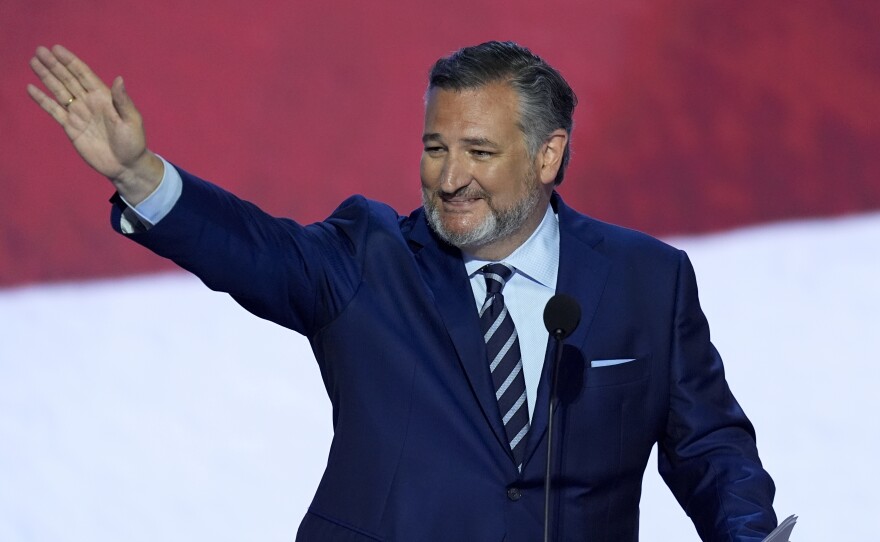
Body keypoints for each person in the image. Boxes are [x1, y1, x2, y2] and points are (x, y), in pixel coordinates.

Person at [28, 41, 777, 541]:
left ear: (549, 155)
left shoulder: (647, 277)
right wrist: (139, 177)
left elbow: (706, 443)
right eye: (434, 147)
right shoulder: (367, 257)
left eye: (479, 151)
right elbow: (254, 250)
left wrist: (747, 532)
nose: (449, 178)